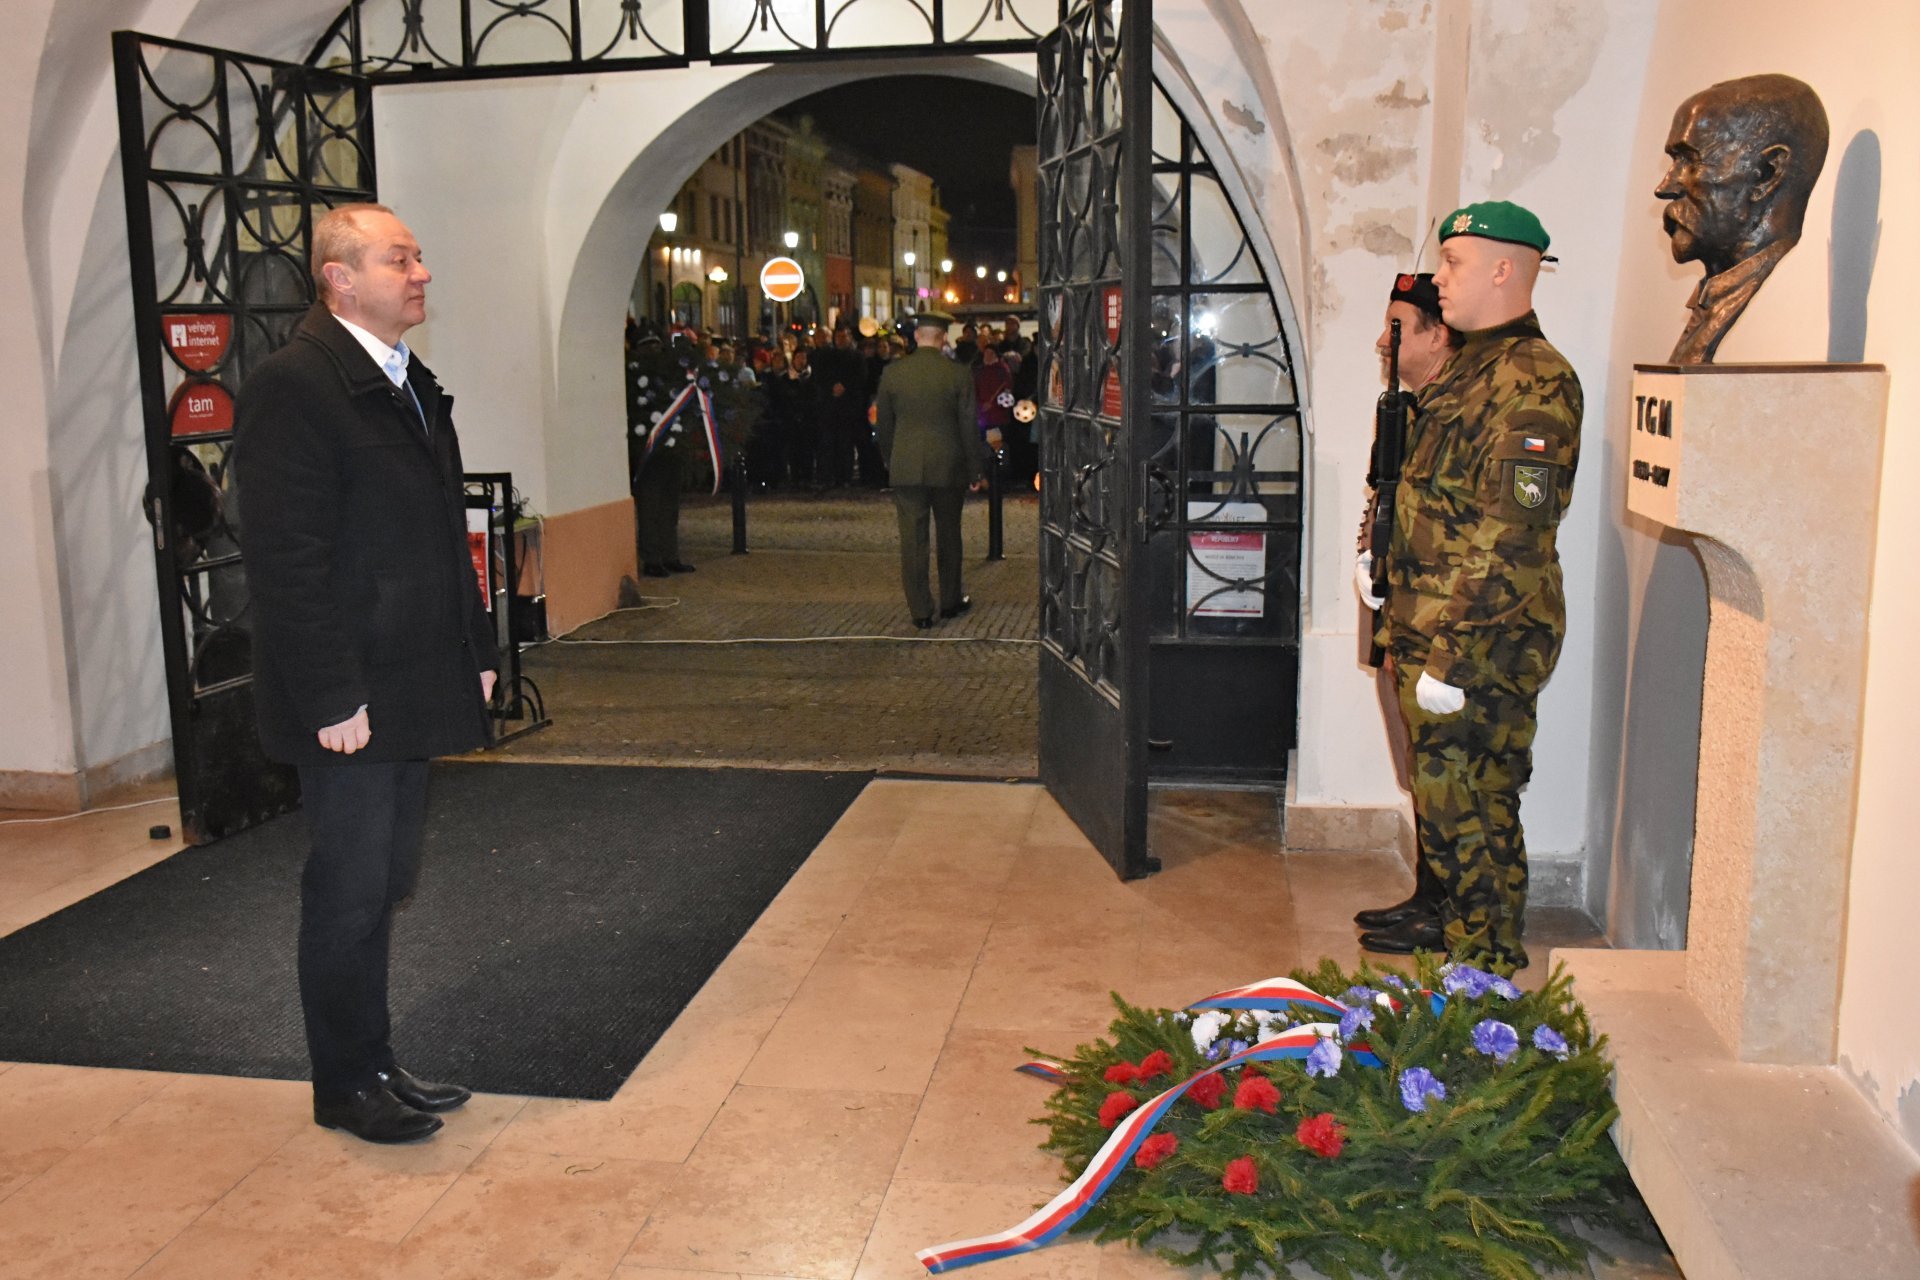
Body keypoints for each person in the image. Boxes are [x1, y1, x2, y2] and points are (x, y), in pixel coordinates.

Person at [235, 203, 497, 1144]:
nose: (420, 273)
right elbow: (286, 559)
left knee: (384, 881)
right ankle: (343, 1083)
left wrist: (477, 651)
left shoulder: (403, 377)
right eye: (399, 260)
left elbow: (441, 534)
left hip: (411, 678)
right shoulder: (295, 386)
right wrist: (329, 693)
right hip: (350, 693)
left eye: (419, 257)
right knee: (347, 892)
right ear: (340, 279)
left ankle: (376, 1062)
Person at [1354, 202, 1582, 972]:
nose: (1440, 277)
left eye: (1454, 262)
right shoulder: (1470, 370)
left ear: (1504, 269)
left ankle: (1486, 980)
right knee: (1448, 814)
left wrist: (1452, 657)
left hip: (1482, 643)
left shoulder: (1534, 380)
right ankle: (1457, 961)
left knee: (1477, 818)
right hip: (1433, 631)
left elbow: (1513, 539)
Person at [1350, 271, 1460, 938]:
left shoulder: (1461, 415)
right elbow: (1386, 494)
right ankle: (1429, 892)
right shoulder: (1407, 411)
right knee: (1414, 754)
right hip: (1399, 607)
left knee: (1444, 764)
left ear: (1438, 335)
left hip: (1437, 618)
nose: (1381, 343)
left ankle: (1449, 906)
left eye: (1396, 328)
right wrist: (1369, 558)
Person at [1656, 74, 1829, 363]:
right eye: (1675, 162)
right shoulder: (1713, 299)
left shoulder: (1780, 306)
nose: (1665, 187)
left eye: (1690, 161)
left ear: (1766, 174)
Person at [873, 309, 981, 628]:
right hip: (949, 466)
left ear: (916, 336)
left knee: (912, 540)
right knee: (949, 535)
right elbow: (968, 426)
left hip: (907, 465)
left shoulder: (893, 373)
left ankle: (920, 610)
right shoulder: (958, 374)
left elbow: (884, 425)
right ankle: (950, 600)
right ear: (944, 338)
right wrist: (974, 469)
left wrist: (891, 458)